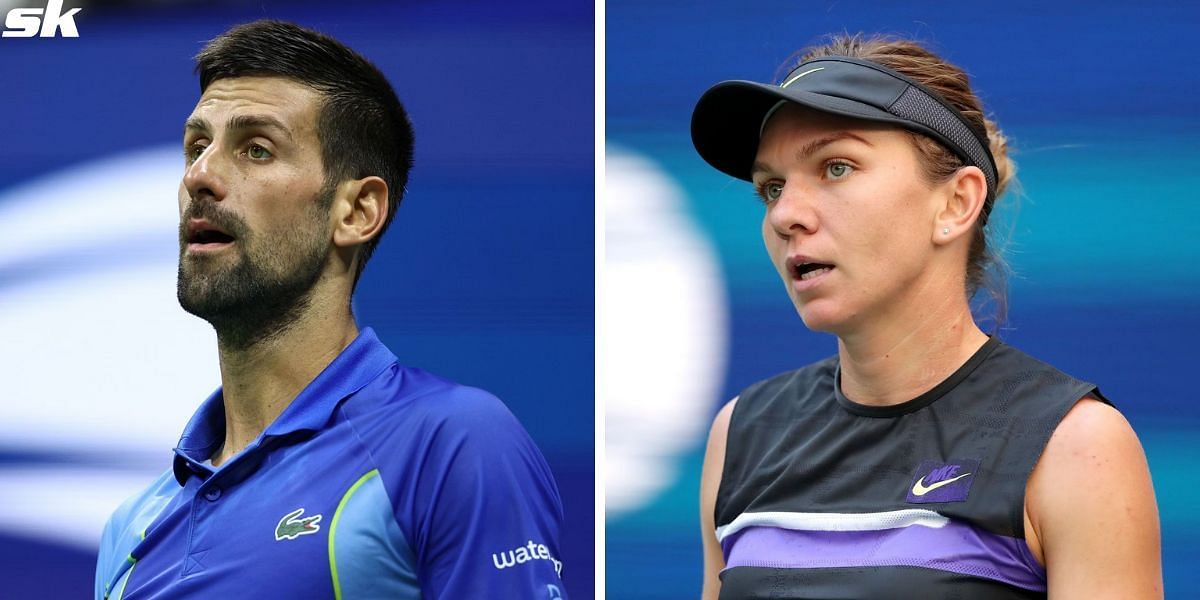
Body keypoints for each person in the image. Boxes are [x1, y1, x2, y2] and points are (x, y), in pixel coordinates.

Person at [94, 20, 567, 600]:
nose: (201, 176)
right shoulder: (129, 530)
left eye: (257, 149)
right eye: (197, 147)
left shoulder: (451, 443)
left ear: (357, 211)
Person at [691, 35, 1161, 599]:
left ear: (956, 203)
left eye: (836, 167)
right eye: (772, 188)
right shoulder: (741, 432)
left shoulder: (1077, 446)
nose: (786, 214)